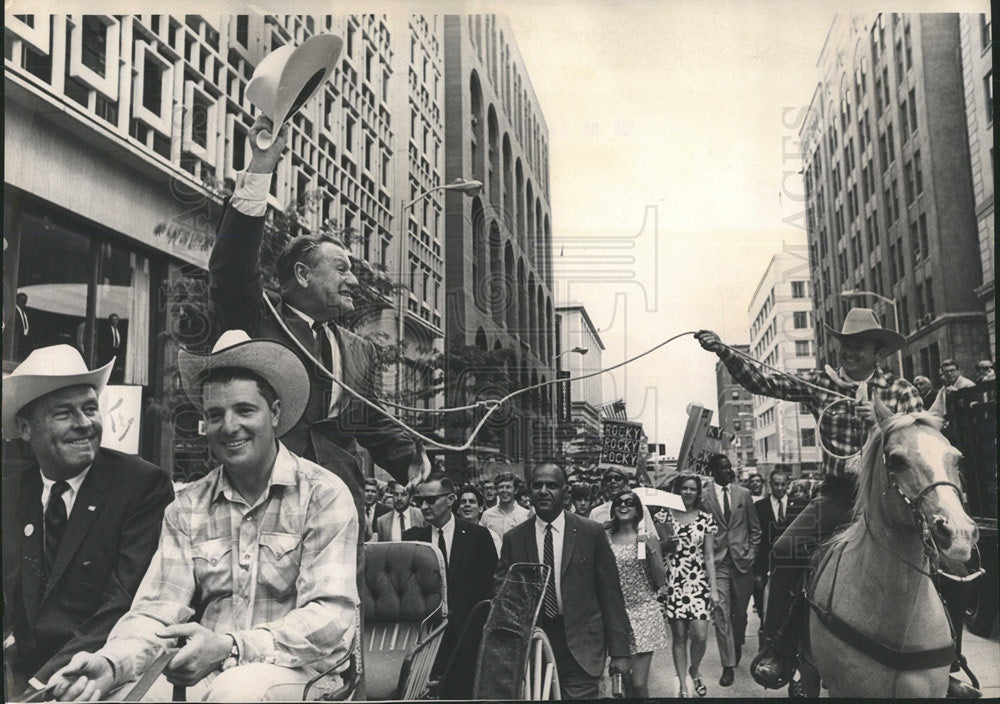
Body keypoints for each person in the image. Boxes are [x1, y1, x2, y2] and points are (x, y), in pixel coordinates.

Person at [48, 330, 360, 702]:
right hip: (209, 671)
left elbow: (330, 618)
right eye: (215, 415)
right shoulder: (187, 506)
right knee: (123, 697)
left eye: (245, 410)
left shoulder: (323, 494)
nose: (229, 427)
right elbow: (156, 612)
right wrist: (112, 663)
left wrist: (231, 647)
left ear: (274, 413)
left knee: (236, 691)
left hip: (305, 671)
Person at [696, 308, 930, 691]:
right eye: (845, 345)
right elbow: (764, 382)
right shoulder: (822, 383)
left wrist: (880, 421)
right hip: (840, 495)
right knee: (785, 550)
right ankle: (778, 650)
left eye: (858, 347)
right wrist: (724, 351)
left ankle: (949, 660)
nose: (848, 352)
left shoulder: (901, 391)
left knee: (946, 551)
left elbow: (922, 442)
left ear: (877, 352)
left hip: (891, 497)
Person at [1, 346, 173, 697]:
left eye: (90, 408)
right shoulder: (11, 493)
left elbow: (123, 602)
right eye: (64, 413)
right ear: (25, 428)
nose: (84, 423)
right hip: (21, 673)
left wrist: (38, 685)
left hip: (103, 672)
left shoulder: (140, 486)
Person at [495, 464, 632, 700]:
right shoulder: (514, 539)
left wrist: (620, 652)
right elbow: (503, 594)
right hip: (534, 645)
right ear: (528, 492)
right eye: (537, 485)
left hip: (583, 646)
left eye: (552, 485)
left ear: (566, 491)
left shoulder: (591, 532)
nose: (543, 491)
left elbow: (611, 594)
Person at [404, 474, 498, 699]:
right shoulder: (414, 539)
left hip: (468, 638)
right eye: (419, 501)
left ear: (451, 499)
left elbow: (492, 586)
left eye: (431, 500)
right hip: (427, 639)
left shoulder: (478, 536)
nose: (424, 506)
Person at [699, 454, 760, 686]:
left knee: (740, 614)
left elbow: (755, 529)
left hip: (742, 562)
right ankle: (728, 666)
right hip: (719, 562)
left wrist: (752, 552)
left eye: (729, 467)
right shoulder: (703, 497)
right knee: (722, 613)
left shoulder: (743, 494)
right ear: (713, 470)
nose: (728, 471)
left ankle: (736, 643)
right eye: (723, 468)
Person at [604, 490, 668, 698]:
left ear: (638, 510)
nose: (624, 506)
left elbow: (659, 581)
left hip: (644, 613)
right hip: (616, 616)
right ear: (614, 509)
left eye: (630, 503)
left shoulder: (644, 539)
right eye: (619, 502)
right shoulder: (605, 538)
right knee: (624, 678)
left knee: (639, 684)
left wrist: (651, 551)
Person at [662, 474, 720, 698]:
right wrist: (667, 543)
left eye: (692, 489)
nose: (688, 492)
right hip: (674, 581)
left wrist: (713, 589)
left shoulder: (706, 519)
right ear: (677, 491)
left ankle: (694, 669)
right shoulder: (663, 516)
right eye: (684, 488)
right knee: (678, 637)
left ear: (698, 493)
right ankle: (684, 685)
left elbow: (709, 556)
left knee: (700, 635)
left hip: (697, 583)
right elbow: (655, 549)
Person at [752, 469, 793, 619]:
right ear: (770, 485)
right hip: (765, 565)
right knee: (765, 607)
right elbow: (755, 538)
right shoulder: (760, 507)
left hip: (790, 566)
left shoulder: (799, 506)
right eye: (776, 484)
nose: (780, 488)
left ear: (788, 484)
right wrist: (756, 570)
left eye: (783, 484)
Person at [455, 484, 502, 554]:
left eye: (472, 501)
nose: (467, 505)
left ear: (481, 508)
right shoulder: (452, 535)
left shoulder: (492, 536)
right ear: (458, 509)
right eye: (463, 502)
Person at [481, 471, 531, 535]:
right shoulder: (487, 515)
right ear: (496, 490)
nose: (504, 490)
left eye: (508, 487)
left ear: (515, 490)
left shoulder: (525, 515)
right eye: (501, 487)